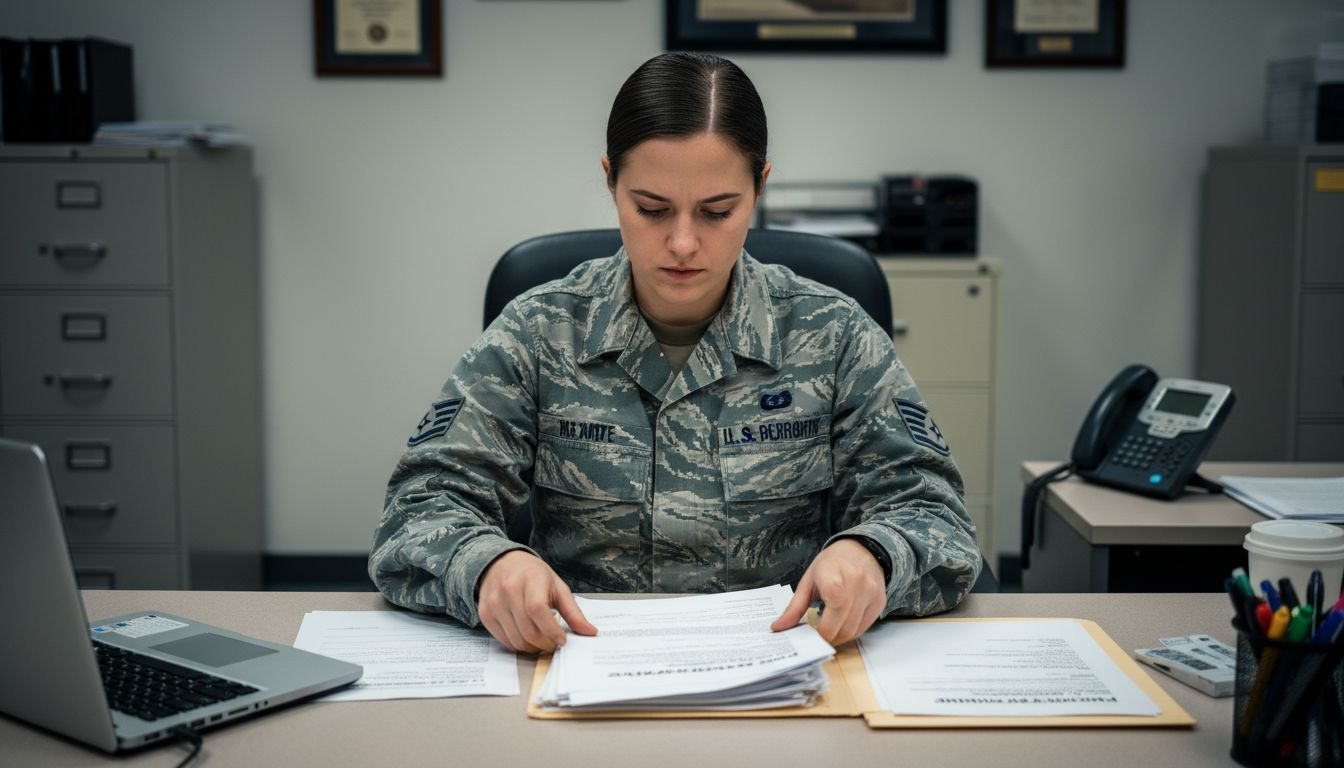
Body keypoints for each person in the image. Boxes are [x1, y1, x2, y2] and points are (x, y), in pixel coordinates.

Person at [369, 51, 980, 654]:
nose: (683, 242)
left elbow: (933, 512)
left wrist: (870, 552)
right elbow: (421, 506)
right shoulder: (538, 333)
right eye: (651, 209)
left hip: (783, 670)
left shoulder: (834, 335)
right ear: (610, 181)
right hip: (579, 667)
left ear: (759, 188)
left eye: (717, 211)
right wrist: (488, 566)